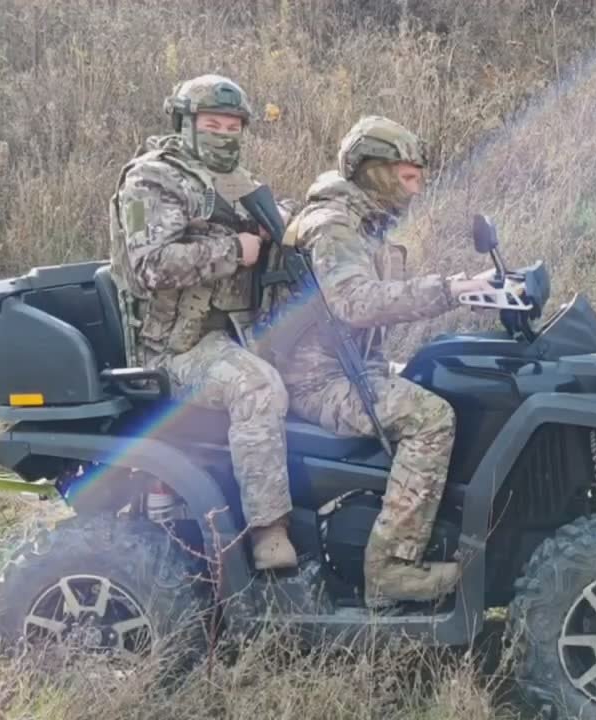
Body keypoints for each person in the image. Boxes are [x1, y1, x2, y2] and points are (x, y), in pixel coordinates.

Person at [269, 115, 491, 606]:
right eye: (408, 178)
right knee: (431, 418)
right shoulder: (332, 226)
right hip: (318, 381)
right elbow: (357, 302)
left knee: (446, 378)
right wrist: (450, 289)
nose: (417, 189)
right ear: (375, 171)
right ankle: (390, 568)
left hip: (351, 366)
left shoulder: (366, 222)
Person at [107, 74, 298, 571]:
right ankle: (268, 533)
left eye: (233, 125)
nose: (224, 134)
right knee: (257, 389)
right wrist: (235, 250)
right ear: (185, 123)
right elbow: (151, 263)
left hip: (235, 333)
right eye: (212, 123)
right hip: (176, 347)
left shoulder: (234, 180)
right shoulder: (153, 179)